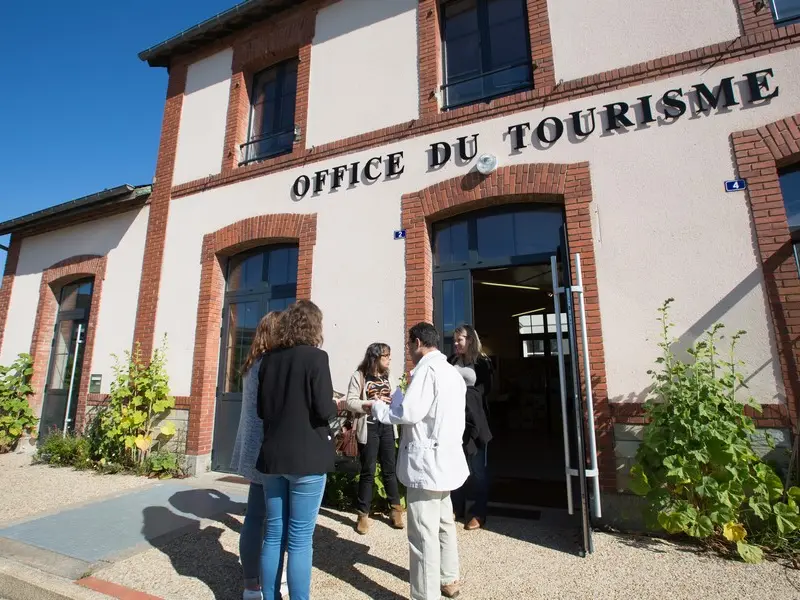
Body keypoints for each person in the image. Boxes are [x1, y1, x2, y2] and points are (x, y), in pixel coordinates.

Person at [364, 322, 469, 600]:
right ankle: (449, 579)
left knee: (422, 534)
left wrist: (378, 406)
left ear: (419, 342)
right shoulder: (452, 372)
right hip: (446, 459)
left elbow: (408, 413)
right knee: (445, 522)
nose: (409, 351)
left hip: (427, 463)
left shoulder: (427, 371)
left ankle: (425, 595)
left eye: (410, 345)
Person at [256, 300, 336, 600]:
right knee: (301, 539)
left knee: (274, 534)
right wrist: (336, 404)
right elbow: (324, 409)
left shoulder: (269, 360)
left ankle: (270, 597)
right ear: (314, 326)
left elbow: (262, 410)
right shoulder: (317, 358)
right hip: (307, 458)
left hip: (273, 457)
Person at [230, 312, 289, 600]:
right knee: (276, 519)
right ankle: (271, 580)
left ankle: (251, 583)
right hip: (270, 449)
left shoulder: (251, 363)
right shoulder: (272, 364)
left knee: (255, 516)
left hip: (253, 448)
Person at [345, 342, 404, 534]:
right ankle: (363, 514)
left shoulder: (389, 376)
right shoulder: (360, 376)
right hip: (368, 427)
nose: (389, 360)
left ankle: (395, 510)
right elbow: (350, 401)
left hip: (387, 426)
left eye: (389, 356)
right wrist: (372, 403)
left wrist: (395, 402)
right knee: (368, 471)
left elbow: (396, 398)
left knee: (390, 469)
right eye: (385, 356)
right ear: (375, 357)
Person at [449, 325, 493, 530]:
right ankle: (456, 507)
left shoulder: (482, 363)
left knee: (477, 470)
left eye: (460, 340)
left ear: (470, 340)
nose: (456, 343)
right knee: (456, 466)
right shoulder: (451, 361)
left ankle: (478, 512)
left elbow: (486, 392)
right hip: (454, 422)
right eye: (455, 340)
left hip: (475, 423)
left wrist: (465, 395)